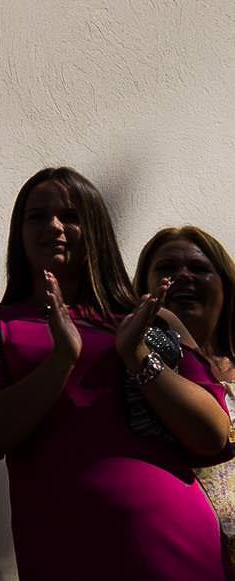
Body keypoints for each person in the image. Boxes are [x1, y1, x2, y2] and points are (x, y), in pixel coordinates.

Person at [0, 168, 232, 579]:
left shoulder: (152, 319)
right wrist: (62, 360)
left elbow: (213, 435)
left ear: (95, 228)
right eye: (37, 216)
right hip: (64, 546)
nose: (54, 226)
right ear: (19, 230)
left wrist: (136, 354)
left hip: (173, 540)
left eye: (70, 215)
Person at [138, 225, 235, 575]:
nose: (182, 277)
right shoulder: (135, 374)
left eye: (199, 269)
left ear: (225, 286)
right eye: (166, 270)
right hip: (180, 559)